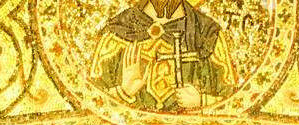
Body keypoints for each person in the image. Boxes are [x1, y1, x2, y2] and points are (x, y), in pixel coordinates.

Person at [90, 0, 235, 110]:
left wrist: (202, 101)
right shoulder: (117, 33)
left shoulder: (207, 35)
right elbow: (90, 103)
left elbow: (235, 104)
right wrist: (123, 93)